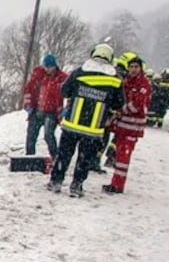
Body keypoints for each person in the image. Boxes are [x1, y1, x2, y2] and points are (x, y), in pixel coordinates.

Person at [47, 43, 124, 197]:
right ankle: (76, 185)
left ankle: (56, 181)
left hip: (72, 124)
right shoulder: (115, 80)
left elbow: (64, 91)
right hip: (94, 129)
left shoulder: (79, 72)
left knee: (64, 154)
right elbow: (119, 102)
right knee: (85, 159)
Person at [102, 55, 151, 194]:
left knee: (123, 157)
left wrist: (120, 110)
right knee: (119, 156)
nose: (133, 70)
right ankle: (115, 182)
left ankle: (117, 185)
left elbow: (138, 105)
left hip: (132, 127)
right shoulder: (126, 82)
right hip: (122, 126)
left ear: (141, 68)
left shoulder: (144, 84)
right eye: (131, 67)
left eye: (136, 67)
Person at [23, 53, 68, 157]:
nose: (47, 70)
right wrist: (28, 104)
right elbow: (28, 89)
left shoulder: (62, 78)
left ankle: (55, 156)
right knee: (31, 134)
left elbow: (71, 94)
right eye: (45, 67)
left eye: (50, 67)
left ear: (55, 66)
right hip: (37, 109)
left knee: (48, 135)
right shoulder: (39, 75)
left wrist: (65, 110)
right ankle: (30, 156)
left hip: (52, 113)